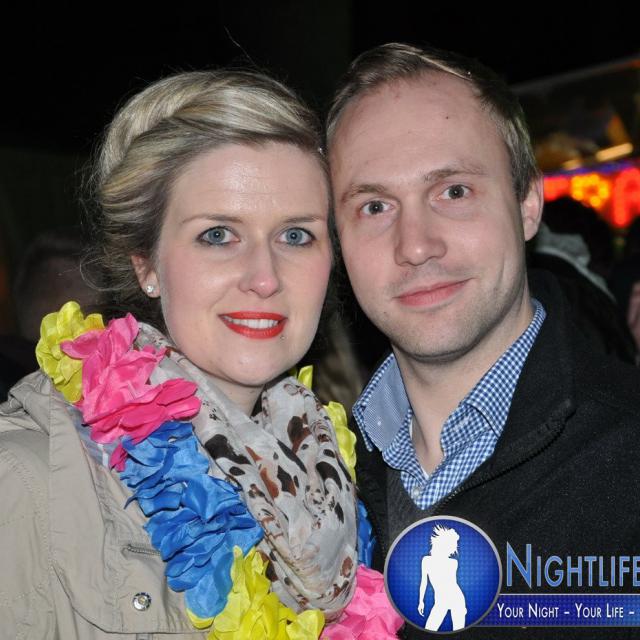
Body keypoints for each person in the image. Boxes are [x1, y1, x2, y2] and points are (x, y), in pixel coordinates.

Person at [0, 69, 390, 639]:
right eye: (218, 235)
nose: (264, 277)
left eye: (295, 235)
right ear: (146, 263)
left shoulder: (348, 483)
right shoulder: (23, 483)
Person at [327, 43, 640, 638]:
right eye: (374, 206)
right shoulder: (310, 478)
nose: (415, 245)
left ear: (528, 204)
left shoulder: (626, 462)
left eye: (453, 192)